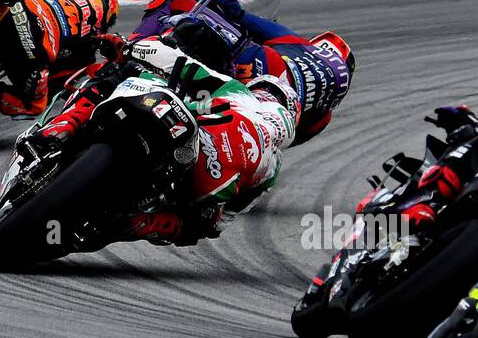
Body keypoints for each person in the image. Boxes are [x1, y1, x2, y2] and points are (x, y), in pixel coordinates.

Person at [27, 31, 301, 247]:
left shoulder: (241, 94)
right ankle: (139, 223)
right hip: (203, 184)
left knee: (121, 74)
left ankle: (63, 126)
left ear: (261, 91)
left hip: (188, 136)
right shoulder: (273, 169)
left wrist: (126, 49)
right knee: (196, 226)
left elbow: (181, 65)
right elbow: (223, 220)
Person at [132, 0, 354, 145]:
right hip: (255, 107)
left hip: (255, 69)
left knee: (176, 2)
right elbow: (286, 142)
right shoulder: (322, 116)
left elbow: (234, 9)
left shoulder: (301, 46)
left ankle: (133, 47)